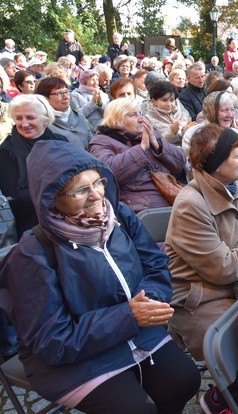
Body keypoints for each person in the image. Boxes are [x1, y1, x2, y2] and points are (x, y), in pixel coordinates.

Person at [0, 140, 201, 413]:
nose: (96, 195)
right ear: (51, 198)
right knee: (135, 410)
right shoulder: (32, 255)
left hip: (133, 331)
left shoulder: (118, 216)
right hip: (72, 359)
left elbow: (155, 264)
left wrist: (148, 303)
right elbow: (52, 340)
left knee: (184, 381)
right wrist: (128, 316)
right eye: (81, 190)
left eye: (98, 182)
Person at [165, 125, 238, 362]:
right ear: (216, 164)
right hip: (202, 297)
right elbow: (223, 269)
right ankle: (219, 398)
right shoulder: (191, 205)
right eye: (237, 156)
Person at [88, 98, 186, 212]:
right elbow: (109, 173)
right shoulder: (100, 142)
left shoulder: (148, 134)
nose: (141, 119)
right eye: (133, 115)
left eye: (141, 114)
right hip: (141, 207)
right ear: (116, 119)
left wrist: (157, 144)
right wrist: (141, 148)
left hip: (172, 196)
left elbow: (180, 162)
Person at [0, 95, 68, 236]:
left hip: (65, 218)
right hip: (28, 226)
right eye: (19, 118)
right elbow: (14, 195)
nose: (24, 124)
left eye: (30, 117)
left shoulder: (61, 142)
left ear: (45, 119)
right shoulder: (7, 150)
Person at [35, 77, 92, 149]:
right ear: (45, 98)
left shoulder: (78, 116)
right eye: (59, 93)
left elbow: (91, 141)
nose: (65, 97)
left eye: (66, 92)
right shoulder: (43, 124)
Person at [143, 80, 192, 146]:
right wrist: (171, 133)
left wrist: (186, 132)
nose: (169, 104)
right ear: (154, 101)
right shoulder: (147, 121)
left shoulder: (183, 113)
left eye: (172, 100)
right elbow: (154, 147)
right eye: (164, 100)